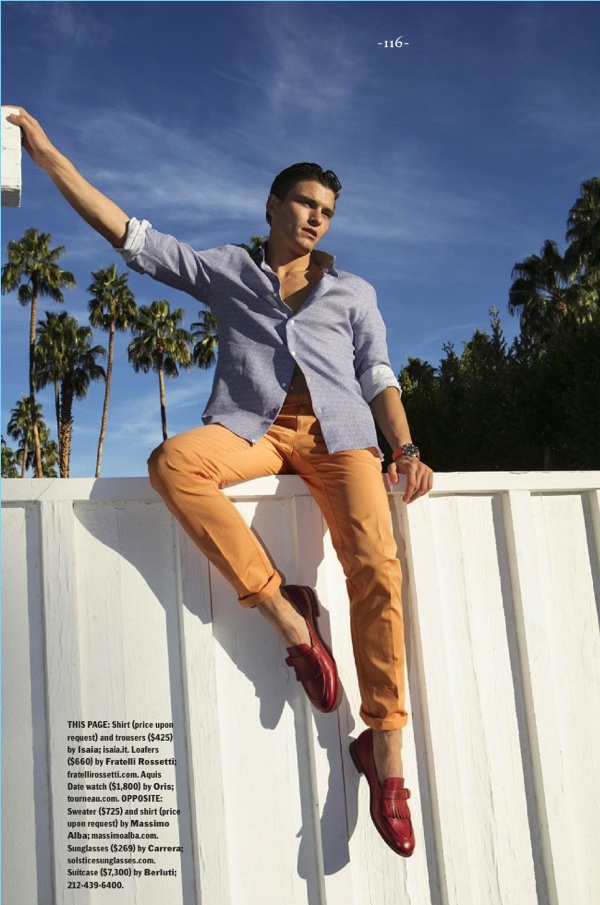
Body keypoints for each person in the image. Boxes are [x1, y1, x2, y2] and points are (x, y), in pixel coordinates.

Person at [8, 107, 433, 858]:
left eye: (327, 212)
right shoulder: (229, 271)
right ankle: (289, 617)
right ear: (272, 207)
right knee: (174, 463)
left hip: (342, 439)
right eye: (305, 204)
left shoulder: (355, 293)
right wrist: (49, 160)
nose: (316, 220)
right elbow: (133, 238)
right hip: (255, 428)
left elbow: (377, 375)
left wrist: (403, 447)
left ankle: (386, 749)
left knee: (377, 567)